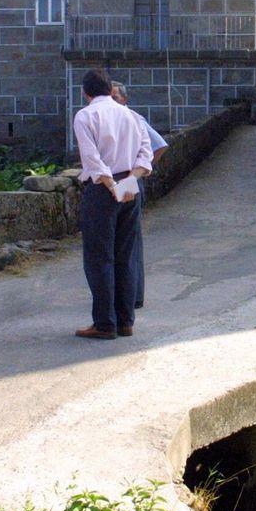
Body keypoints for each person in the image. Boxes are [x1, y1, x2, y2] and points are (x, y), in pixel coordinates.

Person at [73, 68, 152, 340]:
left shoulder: (85, 116)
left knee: (99, 257)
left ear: (86, 93)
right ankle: (125, 320)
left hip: (102, 189)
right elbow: (146, 154)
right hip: (131, 186)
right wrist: (130, 181)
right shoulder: (131, 116)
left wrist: (112, 186)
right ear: (110, 90)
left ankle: (105, 323)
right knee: (125, 255)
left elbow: (91, 158)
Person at [110, 81, 167, 309]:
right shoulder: (110, 119)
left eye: (115, 97)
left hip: (127, 180)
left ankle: (132, 296)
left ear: (124, 99)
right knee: (120, 239)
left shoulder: (133, 118)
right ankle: (123, 294)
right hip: (118, 181)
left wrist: (140, 173)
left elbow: (160, 146)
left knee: (128, 239)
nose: (111, 101)